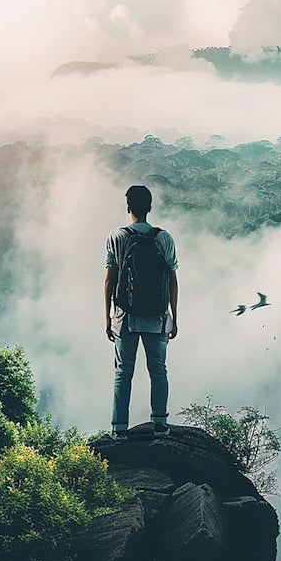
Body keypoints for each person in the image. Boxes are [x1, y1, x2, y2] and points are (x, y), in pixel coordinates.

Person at [105, 185, 179, 439]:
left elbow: (109, 280)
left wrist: (107, 317)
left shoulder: (116, 237)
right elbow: (172, 281)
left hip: (125, 317)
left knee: (123, 372)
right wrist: (174, 317)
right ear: (150, 207)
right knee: (158, 371)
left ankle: (119, 429)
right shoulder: (164, 238)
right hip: (157, 317)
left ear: (128, 207)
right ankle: (160, 424)